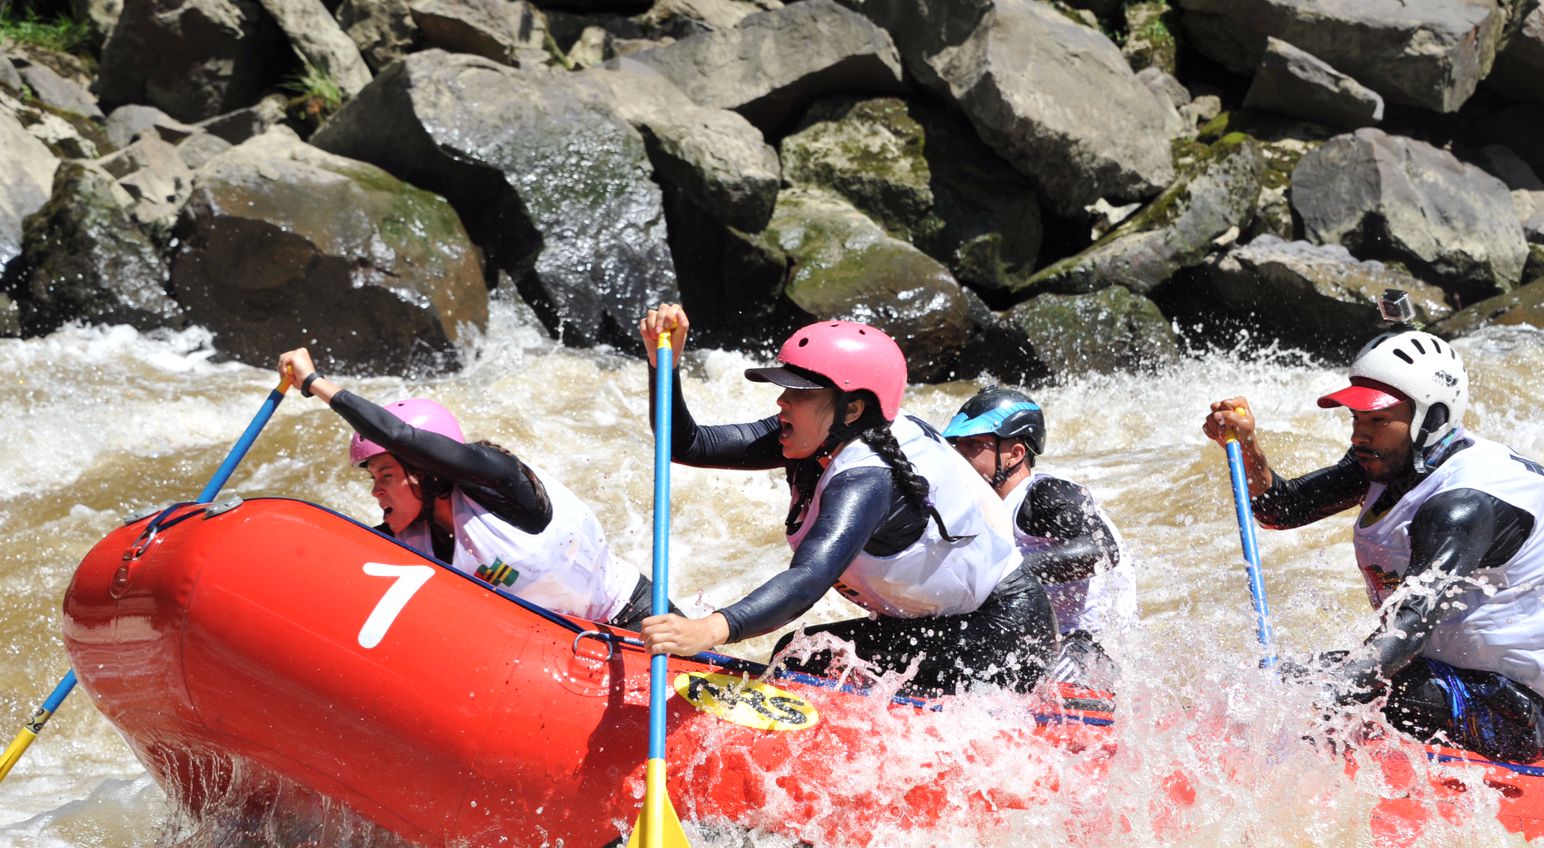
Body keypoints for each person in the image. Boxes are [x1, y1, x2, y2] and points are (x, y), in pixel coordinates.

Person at [1202, 328, 1544, 762]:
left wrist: (1325, 698)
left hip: (1513, 711)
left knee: (1371, 689)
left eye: (1377, 420)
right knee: (1287, 677)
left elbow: (1407, 630)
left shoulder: (1463, 506)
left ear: (1431, 418)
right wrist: (1247, 447)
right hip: (1435, 672)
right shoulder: (1391, 461)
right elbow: (1282, 510)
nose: (1359, 435)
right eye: (1356, 419)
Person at [635, 304, 1058, 695]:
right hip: (941, 621)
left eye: (800, 392)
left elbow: (808, 579)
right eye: (784, 389)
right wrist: (664, 365)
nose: (782, 401)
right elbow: (685, 444)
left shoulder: (869, 478)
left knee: (803, 657)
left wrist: (709, 629)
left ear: (851, 409)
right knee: (803, 655)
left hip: (1004, 633)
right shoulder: (817, 435)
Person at [276, 347, 661, 631]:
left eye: (386, 476)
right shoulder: (410, 538)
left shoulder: (500, 483)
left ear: (426, 468)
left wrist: (313, 382)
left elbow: (400, 436)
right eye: (373, 480)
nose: (376, 493)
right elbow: (330, 567)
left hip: (632, 615)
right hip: (564, 645)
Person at [943, 387, 1136, 686]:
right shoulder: (971, 512)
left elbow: (1102, 551)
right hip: (1023, 636)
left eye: (972, 445)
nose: (959, 455)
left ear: (1015, 454)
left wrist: (1006, 572)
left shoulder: (1047, 494)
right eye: (956, 445)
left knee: (1042, 675)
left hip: (1085, 646)